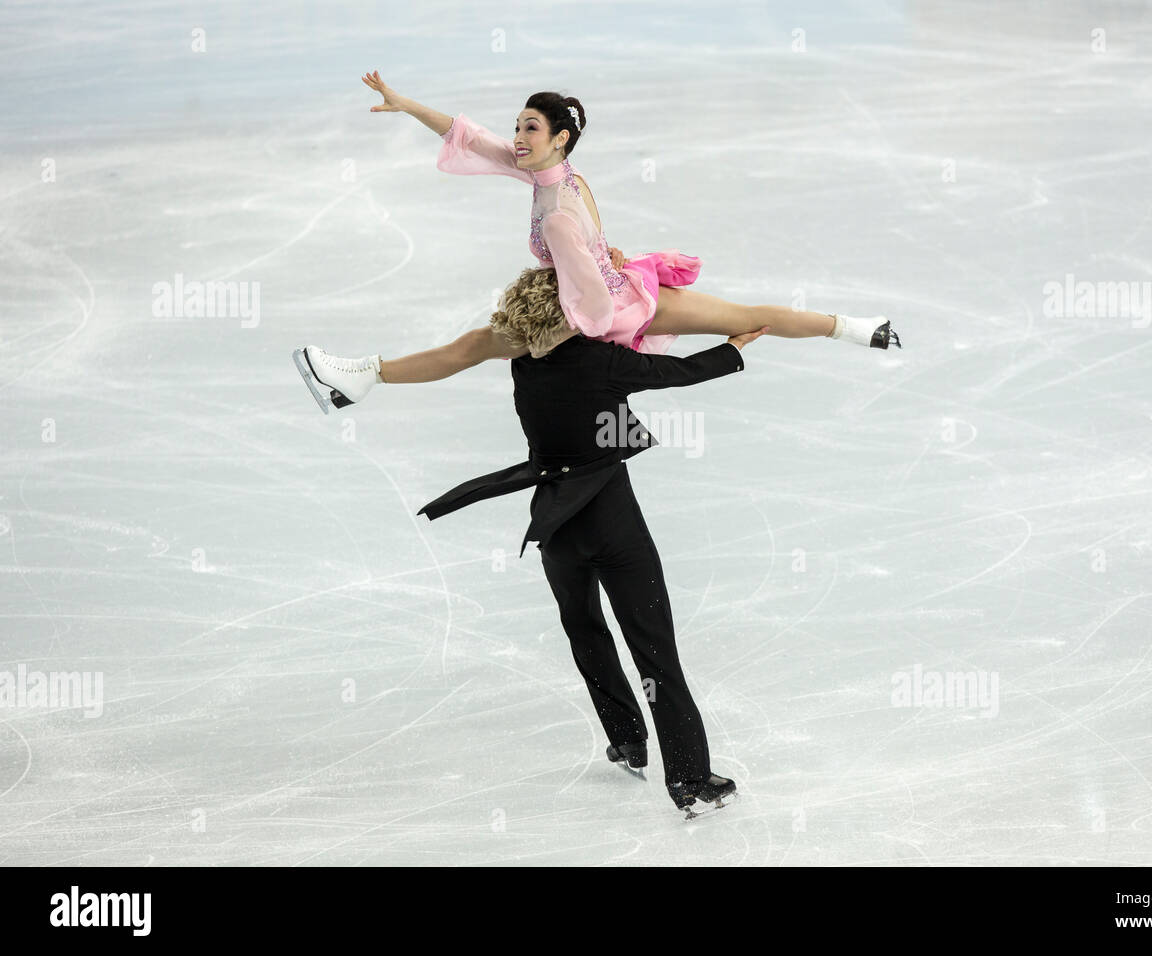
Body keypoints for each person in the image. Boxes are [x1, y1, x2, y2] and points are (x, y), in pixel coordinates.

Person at [290, 73, 900, 413]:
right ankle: (859, 328)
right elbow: (469, 136)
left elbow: (598, 311)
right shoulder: (564, 175)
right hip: (636, 286)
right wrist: (405, 105)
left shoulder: (555, 208)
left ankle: (361, 376)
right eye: (518, 126)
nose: (517, 137)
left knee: (473, 345)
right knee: (751, 314)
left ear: (559, 139)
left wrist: (574, 335)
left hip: (592, 309)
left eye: (530, 128)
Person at [415, 264, 766, 818]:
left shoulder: (522, 364)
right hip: (612, 526)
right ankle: (691, 780)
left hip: (555, 525)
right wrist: (735, 349)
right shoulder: (601, 363)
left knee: (586, 630)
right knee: (654, 650)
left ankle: (627, 738)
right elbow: (678, 372)